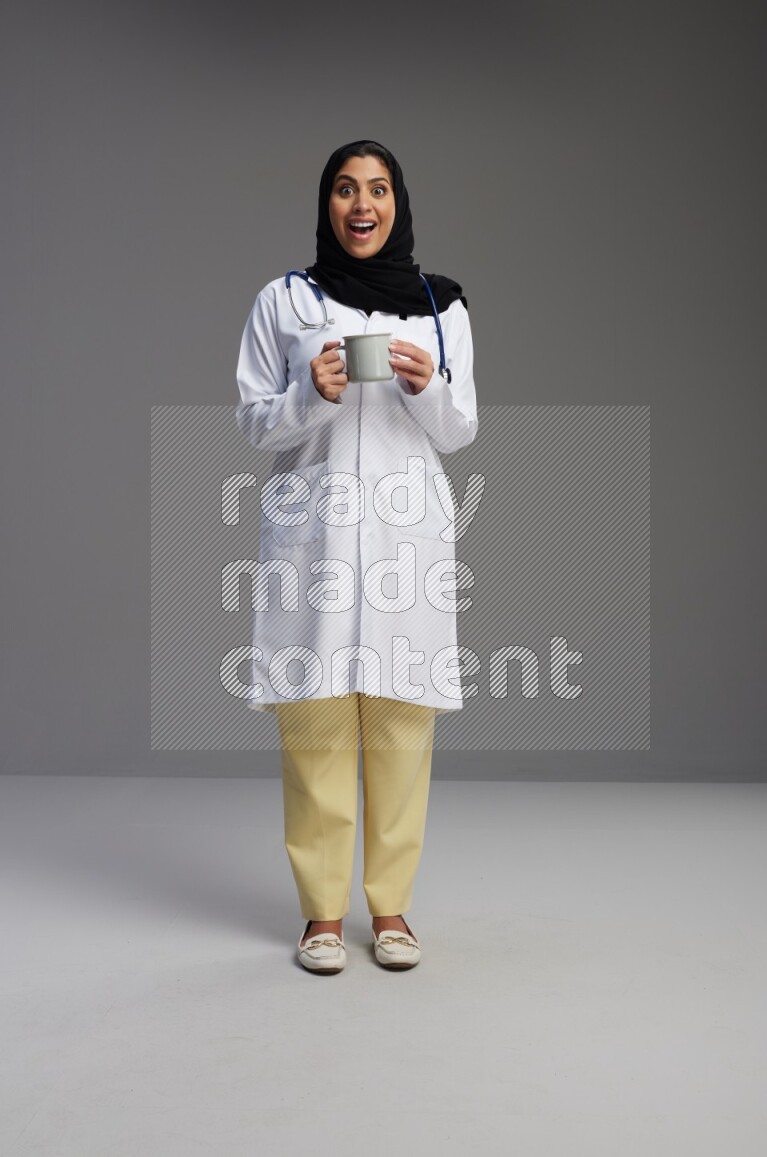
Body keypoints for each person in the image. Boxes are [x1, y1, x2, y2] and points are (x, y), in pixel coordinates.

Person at [235, 139, 478, 973]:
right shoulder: (284, 301)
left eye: (377, 188)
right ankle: (321, 916)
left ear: (399, 203)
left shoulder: (439, 307)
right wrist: (313, 394)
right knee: (317, 723)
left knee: (402, 726)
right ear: (326, 204)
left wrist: (427, 389)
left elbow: (462, 429)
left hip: (406, 539)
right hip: (319, 539)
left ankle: (393, 907)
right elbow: (254, 421)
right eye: (345, 188)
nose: (362, 204)